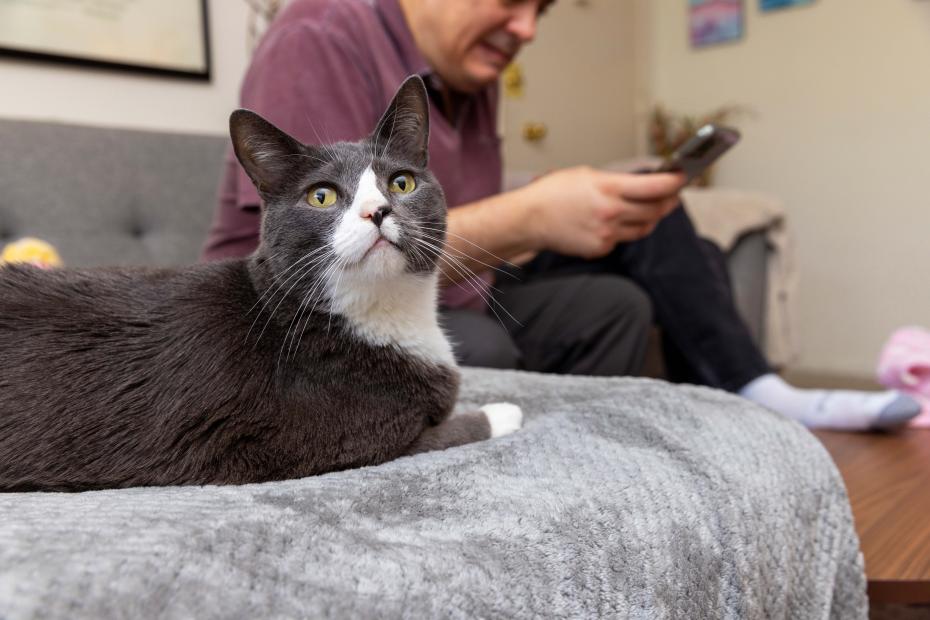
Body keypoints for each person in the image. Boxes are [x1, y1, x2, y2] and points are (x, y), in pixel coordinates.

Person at [202, 0, 919, 431]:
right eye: (513, 2)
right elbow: (349, 242)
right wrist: (532, 216)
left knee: (616, 292)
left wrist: (565, 201)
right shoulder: (321, 34)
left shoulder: (464, 76)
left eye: (540, 10)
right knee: (479, 343)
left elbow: (446, 222)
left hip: (435, 290)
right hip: (318, 320)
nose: (528, 29)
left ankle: (761, 394)